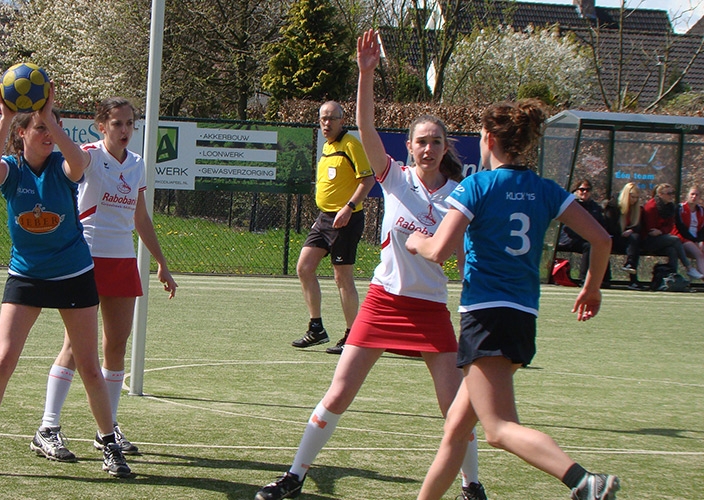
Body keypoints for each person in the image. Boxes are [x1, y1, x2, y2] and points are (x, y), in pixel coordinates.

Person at [255, 29, 487, 500]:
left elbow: (462, 254)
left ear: (446, 148)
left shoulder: (460, 195)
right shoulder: (395, 178)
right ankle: (295, 476)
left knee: (454, 406)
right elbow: (365, 126)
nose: (427, 148)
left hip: (428, 307)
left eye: (435, 142)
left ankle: (473, 486)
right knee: (338, 392)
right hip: (383, 301)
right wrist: (365, 74)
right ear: (409, 147)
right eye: (420, 141)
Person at [406, 98, 620, 500]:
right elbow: (602, 239)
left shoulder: (479, 185)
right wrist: (592, 287)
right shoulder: (546, 189)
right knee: (456, 429)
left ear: (488, 139)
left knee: (498, 428)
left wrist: (417, 241)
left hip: (486, 317)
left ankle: (583, 482)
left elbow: (438, 251)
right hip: (522, 316)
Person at [0, 83, 132, 478]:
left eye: (53, 127)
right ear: (22, 134)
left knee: (88, 364)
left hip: (73, 274)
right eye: (40, 129)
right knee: (3, 360)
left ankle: (109, 445)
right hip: (27, 276)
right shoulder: (12, 172)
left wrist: (49, 116)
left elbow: (78, 166)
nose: (48, 134)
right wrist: (3, 117)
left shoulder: (64, 167)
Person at [31, 97, 177, 462]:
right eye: (117, 123)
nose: (125, 130)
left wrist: (161, 261)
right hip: (86, 258)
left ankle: (106, 430)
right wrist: (47, 118)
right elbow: (70, 169)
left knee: (116, 344)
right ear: (101, 126)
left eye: (130, 123)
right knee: (75, 347)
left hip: (122, 259)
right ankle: (48, 427)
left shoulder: (138, 164)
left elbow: (140, 216)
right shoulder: (90, 156)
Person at [293, 100, 376, 355]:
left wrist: (349, 207)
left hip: (346, 220)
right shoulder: (328, 147)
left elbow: (368, 179)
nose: (326, 123)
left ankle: (352, 335)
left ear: (342, 120)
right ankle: (316, 328)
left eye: (332, 118)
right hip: (324, 219)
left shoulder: (351, 145)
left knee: (342, 277)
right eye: (323, 119)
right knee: (304, 268)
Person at [638, 183, 703, 280]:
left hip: (661, 238)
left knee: (672, 249)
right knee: (675, 240)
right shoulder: (651, 207)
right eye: (668, 193)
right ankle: (689, 268)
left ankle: (672, 277)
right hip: (648, 240)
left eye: (672, 193)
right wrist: (662, 231)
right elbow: (651, 230)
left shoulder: (670, 207)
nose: (671, 195)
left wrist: (661, 231)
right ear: (660, 194)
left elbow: (669, 226)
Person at [556, 179, 610, 285]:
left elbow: (601, 226)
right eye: (582, 189)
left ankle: (604, 279)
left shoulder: (595, 207)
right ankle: (583, 278)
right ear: (576, 190)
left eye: (587, 190)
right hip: (569, 239)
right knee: (589, 245)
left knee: (601, 244)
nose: (585, 192)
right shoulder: (571, 205)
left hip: (587, 239)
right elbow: (568, 228)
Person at [604, 182, 643, 289]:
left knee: (635, 238)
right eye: (632, 196)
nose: (634, 200)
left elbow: (639, 226)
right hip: (614, 237)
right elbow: (609, 226)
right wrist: (621, 232)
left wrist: (631, 230)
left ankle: (631, 269)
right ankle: (605, 279)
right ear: (626, 194)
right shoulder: (613, 206)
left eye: (636, 197)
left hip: (627, 240)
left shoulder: (636, 209)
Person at [676, 185, 704, 276]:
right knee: (699, 254)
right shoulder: (680, 208)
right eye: (692, 194)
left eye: (697, 195)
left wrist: (700, 241)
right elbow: (681, 228)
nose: (694, 197)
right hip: (683, 239)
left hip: (696, 239)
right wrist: (694, 241)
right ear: (687, 195)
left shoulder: (701, 210)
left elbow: (702, 229)